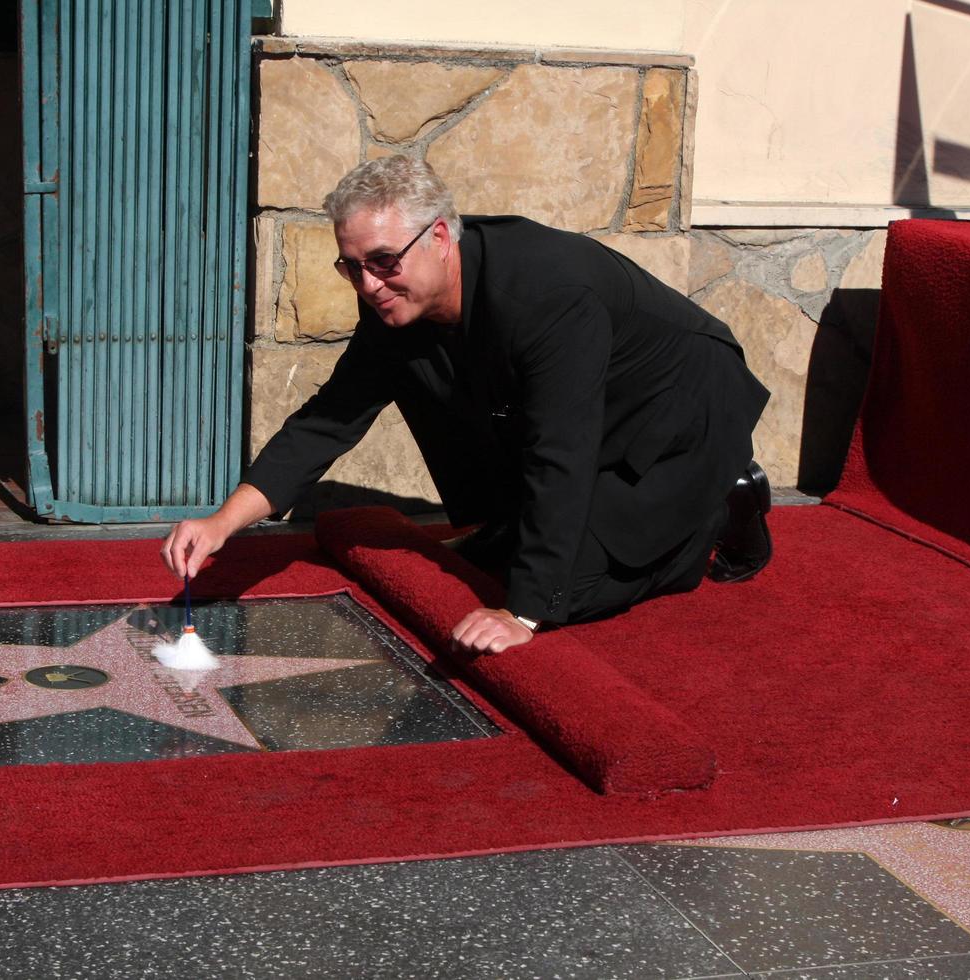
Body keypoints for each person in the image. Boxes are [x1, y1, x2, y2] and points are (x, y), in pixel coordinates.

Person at [162, 156, 771, 654]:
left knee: (564, 587)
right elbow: (329, 420)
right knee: (502, 551)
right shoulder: (395, 303)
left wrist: (526, 614)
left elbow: (561, 450)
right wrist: (223, 523)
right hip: (598, 415)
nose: (369, 284)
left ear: (441, 237)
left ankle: (723, 503)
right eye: (353, 267)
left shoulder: (548, 295)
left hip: (680, 414)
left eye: (383, 262)